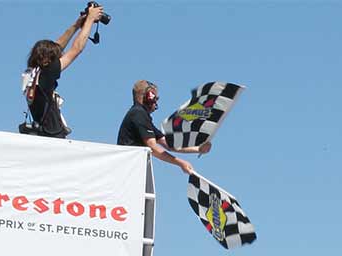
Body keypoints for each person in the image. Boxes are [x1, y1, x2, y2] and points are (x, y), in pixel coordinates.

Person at [21, 4, 106, 138]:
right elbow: (76, 49)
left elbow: (57, 46)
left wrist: (77, 25)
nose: (59, 57)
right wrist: (90, 19)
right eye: (55, 58)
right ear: (46, 60)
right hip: (53, 137)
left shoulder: (33, 74)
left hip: (44, 134)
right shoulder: (46, 74)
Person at [116, 80, 208, 174]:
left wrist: (198, 148)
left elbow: (169, 143)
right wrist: (180, 163)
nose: (156, 102)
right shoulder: (138, 114)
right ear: (149, 97)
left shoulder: (139, 114)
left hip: (132, 169)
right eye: (156, 98)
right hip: (128, 170)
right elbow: (153, 147)